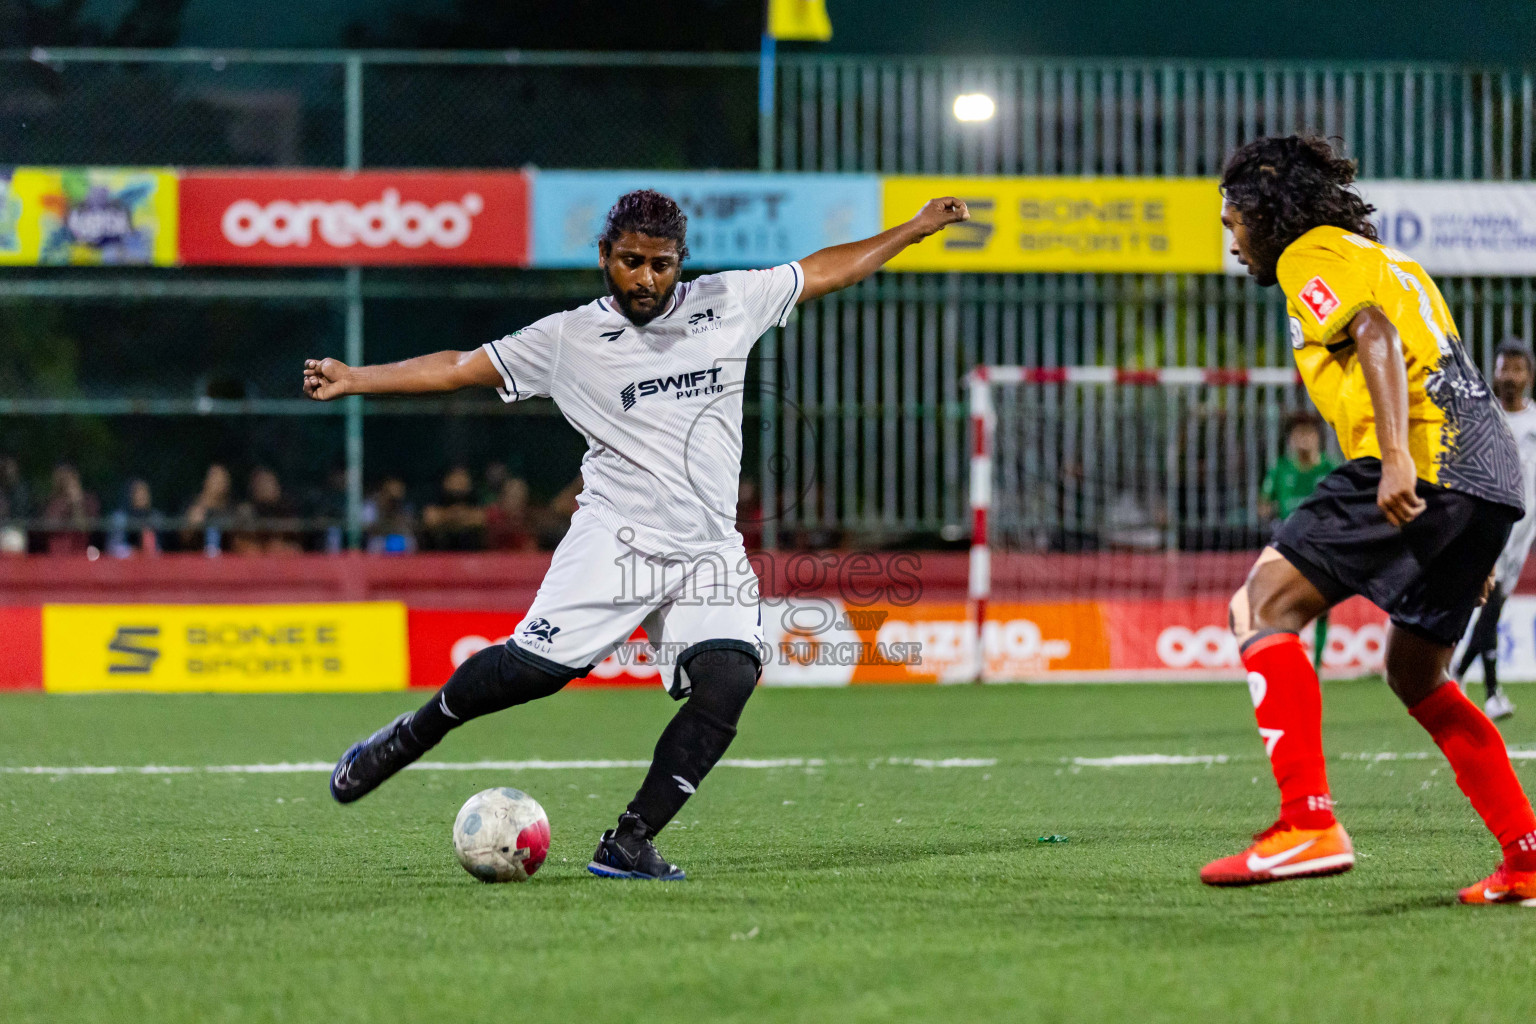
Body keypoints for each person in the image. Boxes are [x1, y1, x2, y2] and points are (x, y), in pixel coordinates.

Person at [306, 187, 969, 880]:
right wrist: (357, 378)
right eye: (629, 261)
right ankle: (411, 734)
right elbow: (459, 366)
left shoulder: (727, 301)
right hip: (615, 542)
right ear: (604, 257)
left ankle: (629, 842)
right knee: (529, 676)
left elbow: (826, 270)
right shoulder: (567, 339)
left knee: (729, 680)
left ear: (680, 261)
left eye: (660, 264)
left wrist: (917, 229)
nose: (645, 278)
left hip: (708, 550)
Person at [1209, 135, 1536, 904]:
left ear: (1266, 214)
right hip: (1485, 478)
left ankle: (1306, 824)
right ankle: (1526, 855)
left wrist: (1395, 458)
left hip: (1424, 457)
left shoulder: (1309, 256)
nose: (1232, 240)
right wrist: (1467, 529)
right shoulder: (1390, 262)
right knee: (1415, 673)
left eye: (1232, 221)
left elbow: (1377, 337)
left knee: (1259, 606)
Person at [1453, 338, 1536, 721]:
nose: (1509, 377)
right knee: (1490, 606)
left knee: (1493, 609)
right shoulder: (1486, 418)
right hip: (1490, 528)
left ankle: (1457, 674)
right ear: (1495, 373)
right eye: (1504, 368)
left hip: (1523, 536)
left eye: (1517, 369)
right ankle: (1489, 692)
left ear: (1529, 376)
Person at [1259, 412, 1340, 668]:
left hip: (1323, 547)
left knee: (1322, 607)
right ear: (1290, 439)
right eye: (1298, 434)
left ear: (1318, 438)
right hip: (1289, 547)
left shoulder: (1330, 469)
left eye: (1309, 433)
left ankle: (1316, 665)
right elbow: (1264, 504)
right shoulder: (1281, 469)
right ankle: (1286, 661)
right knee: (1282, 606)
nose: (1303, 439)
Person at [420, 466, 486, 550]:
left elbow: (481, 519)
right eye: (456, 479)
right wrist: (455, 516)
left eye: (462, 478)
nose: (459, 482)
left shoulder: (474, 497)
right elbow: (430, 519)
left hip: (471, 553)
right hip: (438, 552)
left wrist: (446, 519)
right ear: (446, 481)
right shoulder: (437, 495)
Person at [40, 463, 99, 556]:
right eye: (64, 481)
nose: (69, 485)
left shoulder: (89, 501)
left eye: (71, 480)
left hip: (79, 553)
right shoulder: (53, 502)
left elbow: (85, 529)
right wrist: (66, 504)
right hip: (56, 554)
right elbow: (50, 526)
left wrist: (76, 504)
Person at [182, 463, 233, 555]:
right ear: (206, 480)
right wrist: (191, 524)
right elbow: (184, 538)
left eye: (222, 478)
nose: (218, 482)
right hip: (196, 558)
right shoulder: (193, 504)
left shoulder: (231, 507)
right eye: (215, 477)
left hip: (226, 559)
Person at [106, 478, 165, 557]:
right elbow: (113, 548)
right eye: (138, 493)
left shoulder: (155, 518)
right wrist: (132, 552)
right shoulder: (120, 518)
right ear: (131, 495)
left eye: (144, 493)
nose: (142, 497)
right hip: (125, 564)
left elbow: (161, 549)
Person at [483, 476, 538, 552]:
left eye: (520, 497)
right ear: (503, 498)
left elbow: (531, 550)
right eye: (513, 497)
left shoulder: (529, 520)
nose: (517, 501)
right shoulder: (492, 517)